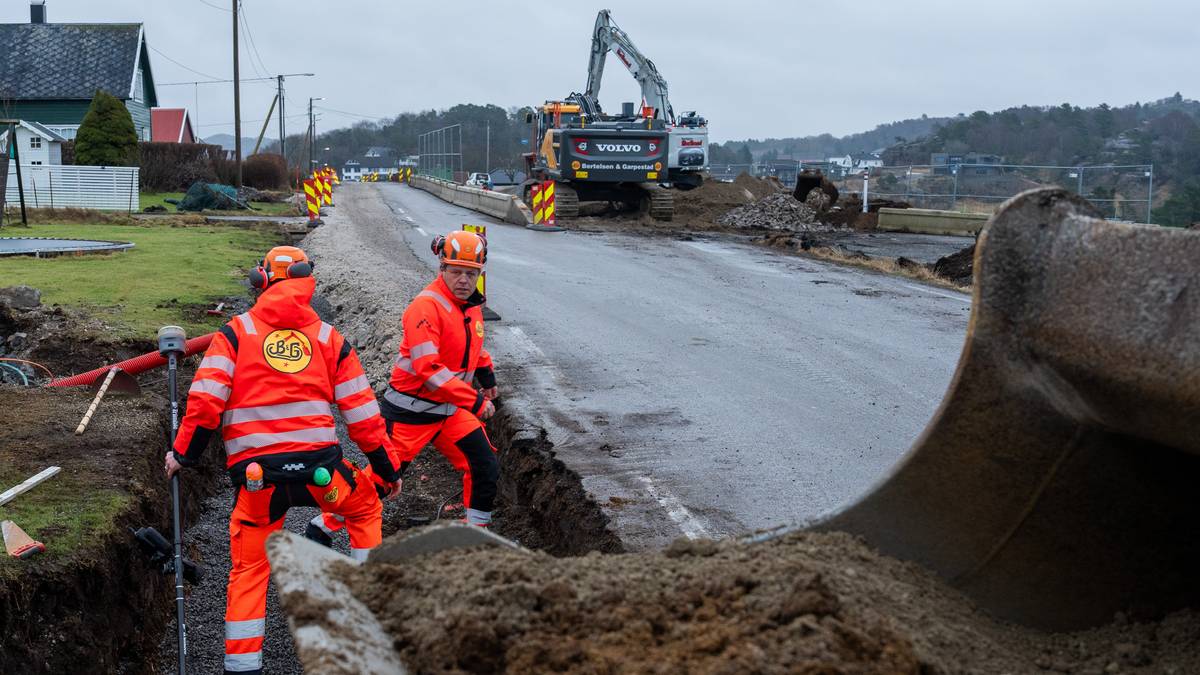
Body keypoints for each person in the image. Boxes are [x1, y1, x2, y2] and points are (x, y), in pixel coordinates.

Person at [165, 245, 402, 675]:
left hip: (259, 483)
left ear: (261, 281)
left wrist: (183, 455)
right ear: (307, 281)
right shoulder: (329, 339)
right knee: (365, 507)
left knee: (250, 569)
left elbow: (204, 405)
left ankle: (242, 666)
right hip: (323, 475)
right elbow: (364, 417)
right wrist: (387, 470)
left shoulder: (235, 334)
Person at [307, 230, 499, 544]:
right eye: (456, 272)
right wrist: (475, 401)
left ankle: (476, 534)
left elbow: (472, 346)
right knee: (382, 482)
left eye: (471, 273)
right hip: (410, 414)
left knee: (484, 464)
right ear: (442, 268)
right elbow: (429, 369)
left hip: (449, 412)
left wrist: (487, 377)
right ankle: (323, 525)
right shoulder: (426, 307)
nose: (464, 280)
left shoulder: (470, 305)